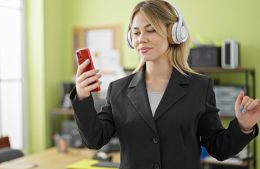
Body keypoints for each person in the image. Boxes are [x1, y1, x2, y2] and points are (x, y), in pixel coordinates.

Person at [70, 0, 260, 169]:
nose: (141, 38)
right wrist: (82, 97)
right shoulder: (118, 89)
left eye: (150, 29)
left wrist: (243, 127)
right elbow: (94, 139)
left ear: (174, 33)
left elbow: (219, 149)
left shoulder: (199, 87)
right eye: (136, 33)